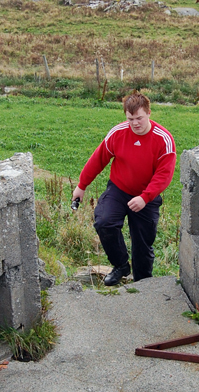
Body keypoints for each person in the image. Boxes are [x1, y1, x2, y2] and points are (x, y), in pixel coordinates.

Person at [72, 91, 176, 286]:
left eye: (139, 118)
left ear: (149, 113)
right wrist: (81, 186)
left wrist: (145, 197)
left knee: (142, 246)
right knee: (104, 222)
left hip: (147, 196)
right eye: (131, 119)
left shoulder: (163, 139)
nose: (135, 123)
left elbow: (164, 175)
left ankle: (142, 285)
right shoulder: (118, 133)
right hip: (119, 189)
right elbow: (98, 159)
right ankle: (120, 265)